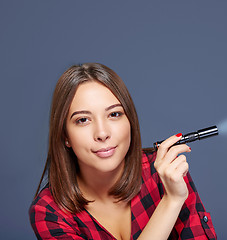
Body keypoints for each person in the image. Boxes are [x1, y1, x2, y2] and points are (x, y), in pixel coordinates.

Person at [29, 63, 217, 240]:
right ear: (65, 135)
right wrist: (171, 202)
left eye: (114, 114)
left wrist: (174, 196)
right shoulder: (49, 211)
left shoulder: (165, 173)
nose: (102, 133)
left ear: (130, 121)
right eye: (83, 120)